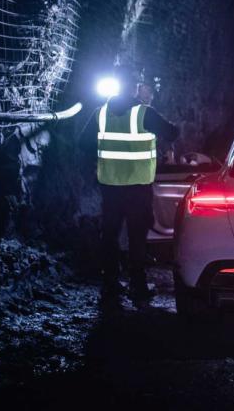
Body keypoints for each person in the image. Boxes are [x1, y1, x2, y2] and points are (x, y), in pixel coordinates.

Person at [83, 76, 179, 303]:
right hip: (137, 186)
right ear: (135, 88)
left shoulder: (101, 113)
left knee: (110, 235)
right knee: (137, 237)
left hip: (110, 186)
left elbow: (82, 144)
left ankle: (110, 285)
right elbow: (173, 133)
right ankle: (138, 285)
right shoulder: (145, 113)